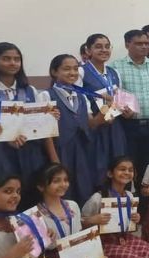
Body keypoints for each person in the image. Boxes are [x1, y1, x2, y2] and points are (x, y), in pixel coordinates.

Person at [34, 164, 130, 258]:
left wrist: (93, 254)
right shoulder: (36, 215)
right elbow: (34, 257)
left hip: (77, 254)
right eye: (56, 181)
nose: (63, 184)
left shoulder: (72, 205)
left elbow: (80, 236)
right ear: (41, 186)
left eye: (65, 180)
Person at [81, 156, 149, 258]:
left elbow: (129, 222)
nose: (127, 172)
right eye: (122, 169)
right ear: (110, 173)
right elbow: (80, 223)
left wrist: (136, 218)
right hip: (104, 242)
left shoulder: (129, 196)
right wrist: (92, 220)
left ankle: (123, 256)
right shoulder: (98, 198)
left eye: (130, 170)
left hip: (124, 237)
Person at [0, 43, 54, 202]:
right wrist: (6, 136)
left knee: (29, 194)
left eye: (17, 59)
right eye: (6, 59)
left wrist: (49, 116)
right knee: (2, 195)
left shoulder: (30, 90)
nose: (13, 63)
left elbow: (39, 123)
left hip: (29, 152)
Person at [43, 54, 108, 203]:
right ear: (54, 72)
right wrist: (55, 161)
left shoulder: (81, 95)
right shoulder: (47, 95)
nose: (72, 73)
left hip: (83, 150)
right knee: (64, 190)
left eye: (75, 69)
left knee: (83, 188)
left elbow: (91, 123)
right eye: (66, 69)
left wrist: (108, 108)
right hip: (61, 149)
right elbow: (46, 133)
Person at [111, 29, 149, 182]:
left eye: (146, 43)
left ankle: (148, 195)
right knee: (128, 164)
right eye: (139, 43)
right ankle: (131, 195)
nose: (144, 46)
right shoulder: (115, 67)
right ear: (127, 45)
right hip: (128, 125)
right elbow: (112, 96)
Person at [80, 34, 131, 188]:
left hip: (115, 127)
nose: (104, 50)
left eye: (107, 46)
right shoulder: (81, 72)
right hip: (95, 129)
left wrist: (127, 110)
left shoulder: (114, 72)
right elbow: (80, 102)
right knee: (99, 170)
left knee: (118, 166)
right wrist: (95, 119)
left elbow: (119, 98)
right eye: (98, 46)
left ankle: (118, 199)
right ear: (88, 50)